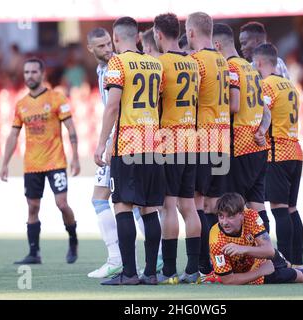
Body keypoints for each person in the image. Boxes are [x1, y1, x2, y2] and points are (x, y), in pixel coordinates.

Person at [95, 17, 165, 285]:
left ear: (115, 38)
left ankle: (129, 273)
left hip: (128, 143)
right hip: (154, 144)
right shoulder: (155, 64)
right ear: (137, 37)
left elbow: (113, 106)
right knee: (149, 209)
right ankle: (150, 273)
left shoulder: (117, 63)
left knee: (122, 205)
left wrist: (102, 143)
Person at [0, 58, 80, 264]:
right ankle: (34, 252)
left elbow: (71, 128)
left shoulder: (56, 98)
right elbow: (13, 136)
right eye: (26, 72)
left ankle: (73, 239)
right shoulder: (21, 105)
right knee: (33, 208)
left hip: (56, 162)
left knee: (62, 204)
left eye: (34, 72)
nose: (29, 76)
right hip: (32, 165)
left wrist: (76, 157)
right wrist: (5, 163)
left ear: (42, 74)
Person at [152, 13, 202, 284]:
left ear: (158, 34)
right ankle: (193, 269)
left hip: (169, 140)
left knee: (167, 207)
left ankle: (169, 271)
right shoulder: (193, 64)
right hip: (192, 140)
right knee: (190, 206)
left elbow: (155, 102)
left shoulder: (160, 64)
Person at [213, 23, 272, 233]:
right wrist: (262, 131)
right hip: (258, 146)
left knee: (230, 204)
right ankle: (265, 252)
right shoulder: (252, 68)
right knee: (256, 205)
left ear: (217, 45)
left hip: (240, 145)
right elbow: (266, 110)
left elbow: (234, 105)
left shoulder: (230, 67)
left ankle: (230, 255)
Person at [185, 12, 231, 280]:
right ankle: (217, 263)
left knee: (198, 204)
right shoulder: (222, 61)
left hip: (202, 138)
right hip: (222, 140)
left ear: (191, 33)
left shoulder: (195, 61)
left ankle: (203, 265)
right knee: (214, 206)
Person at [253, 44, 303, 267]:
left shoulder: (266, 85)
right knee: (291, 209)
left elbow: (265, 112)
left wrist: (261, 132)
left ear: (260, 63)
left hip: (278, 153)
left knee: (279, 210)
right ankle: (298, 260)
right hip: (295, 151)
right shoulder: (290, 86)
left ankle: (283, 262)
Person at [210, 193, 303, 285]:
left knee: (277, 258)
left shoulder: (251, 215)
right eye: (221, 216)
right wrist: (260, 272)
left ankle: (292, 266)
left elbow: (268, 251)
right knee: (286, 275)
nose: (224, 222)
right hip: (244, 275)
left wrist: (242, 249)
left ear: (242, 214)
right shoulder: (216, 239)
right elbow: (228, 280)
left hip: (259, 258)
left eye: (230, 217)